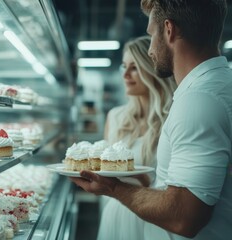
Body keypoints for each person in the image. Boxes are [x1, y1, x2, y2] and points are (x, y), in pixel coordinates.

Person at [71, 1, 232, 239]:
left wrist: (113, 187)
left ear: (169, 30)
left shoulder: (198, 101)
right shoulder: (218, 87)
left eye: (150, 34)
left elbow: (183, 216)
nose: (150, 49)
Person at [99, 35, 176, 239]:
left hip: (154, 219)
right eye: (124, 66)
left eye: (134, 67)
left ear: (151, 69)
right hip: (116, 213)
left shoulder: (172, 118)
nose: (125, 74)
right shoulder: (115, 117)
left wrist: (145, 181)